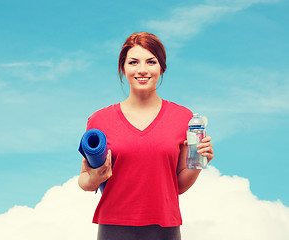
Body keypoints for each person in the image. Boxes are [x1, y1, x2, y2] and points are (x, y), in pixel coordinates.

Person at [78, 32, 214, 240]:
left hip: (165, 229)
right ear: (123, 68)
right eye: (133, 62)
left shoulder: (183, 118)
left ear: (162, 67)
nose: (142, 70)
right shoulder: (99, 120)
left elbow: (177, 186)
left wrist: (198, 162)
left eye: (151, 62)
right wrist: (96, 177)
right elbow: (85, 181)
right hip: (114, 228)